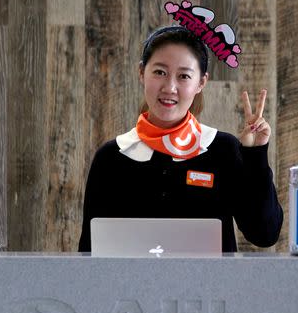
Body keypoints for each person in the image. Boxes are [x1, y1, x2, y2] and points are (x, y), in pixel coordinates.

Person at [77, 25, 283, 252]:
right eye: (159, 72)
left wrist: (255, 155)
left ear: (201, 83)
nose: (170, 87)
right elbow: (89, 253)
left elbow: (265, 233)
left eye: (184, 76)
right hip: (131, 287)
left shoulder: (222, 149)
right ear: (141, 73)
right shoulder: (111, 158)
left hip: (209, 287)